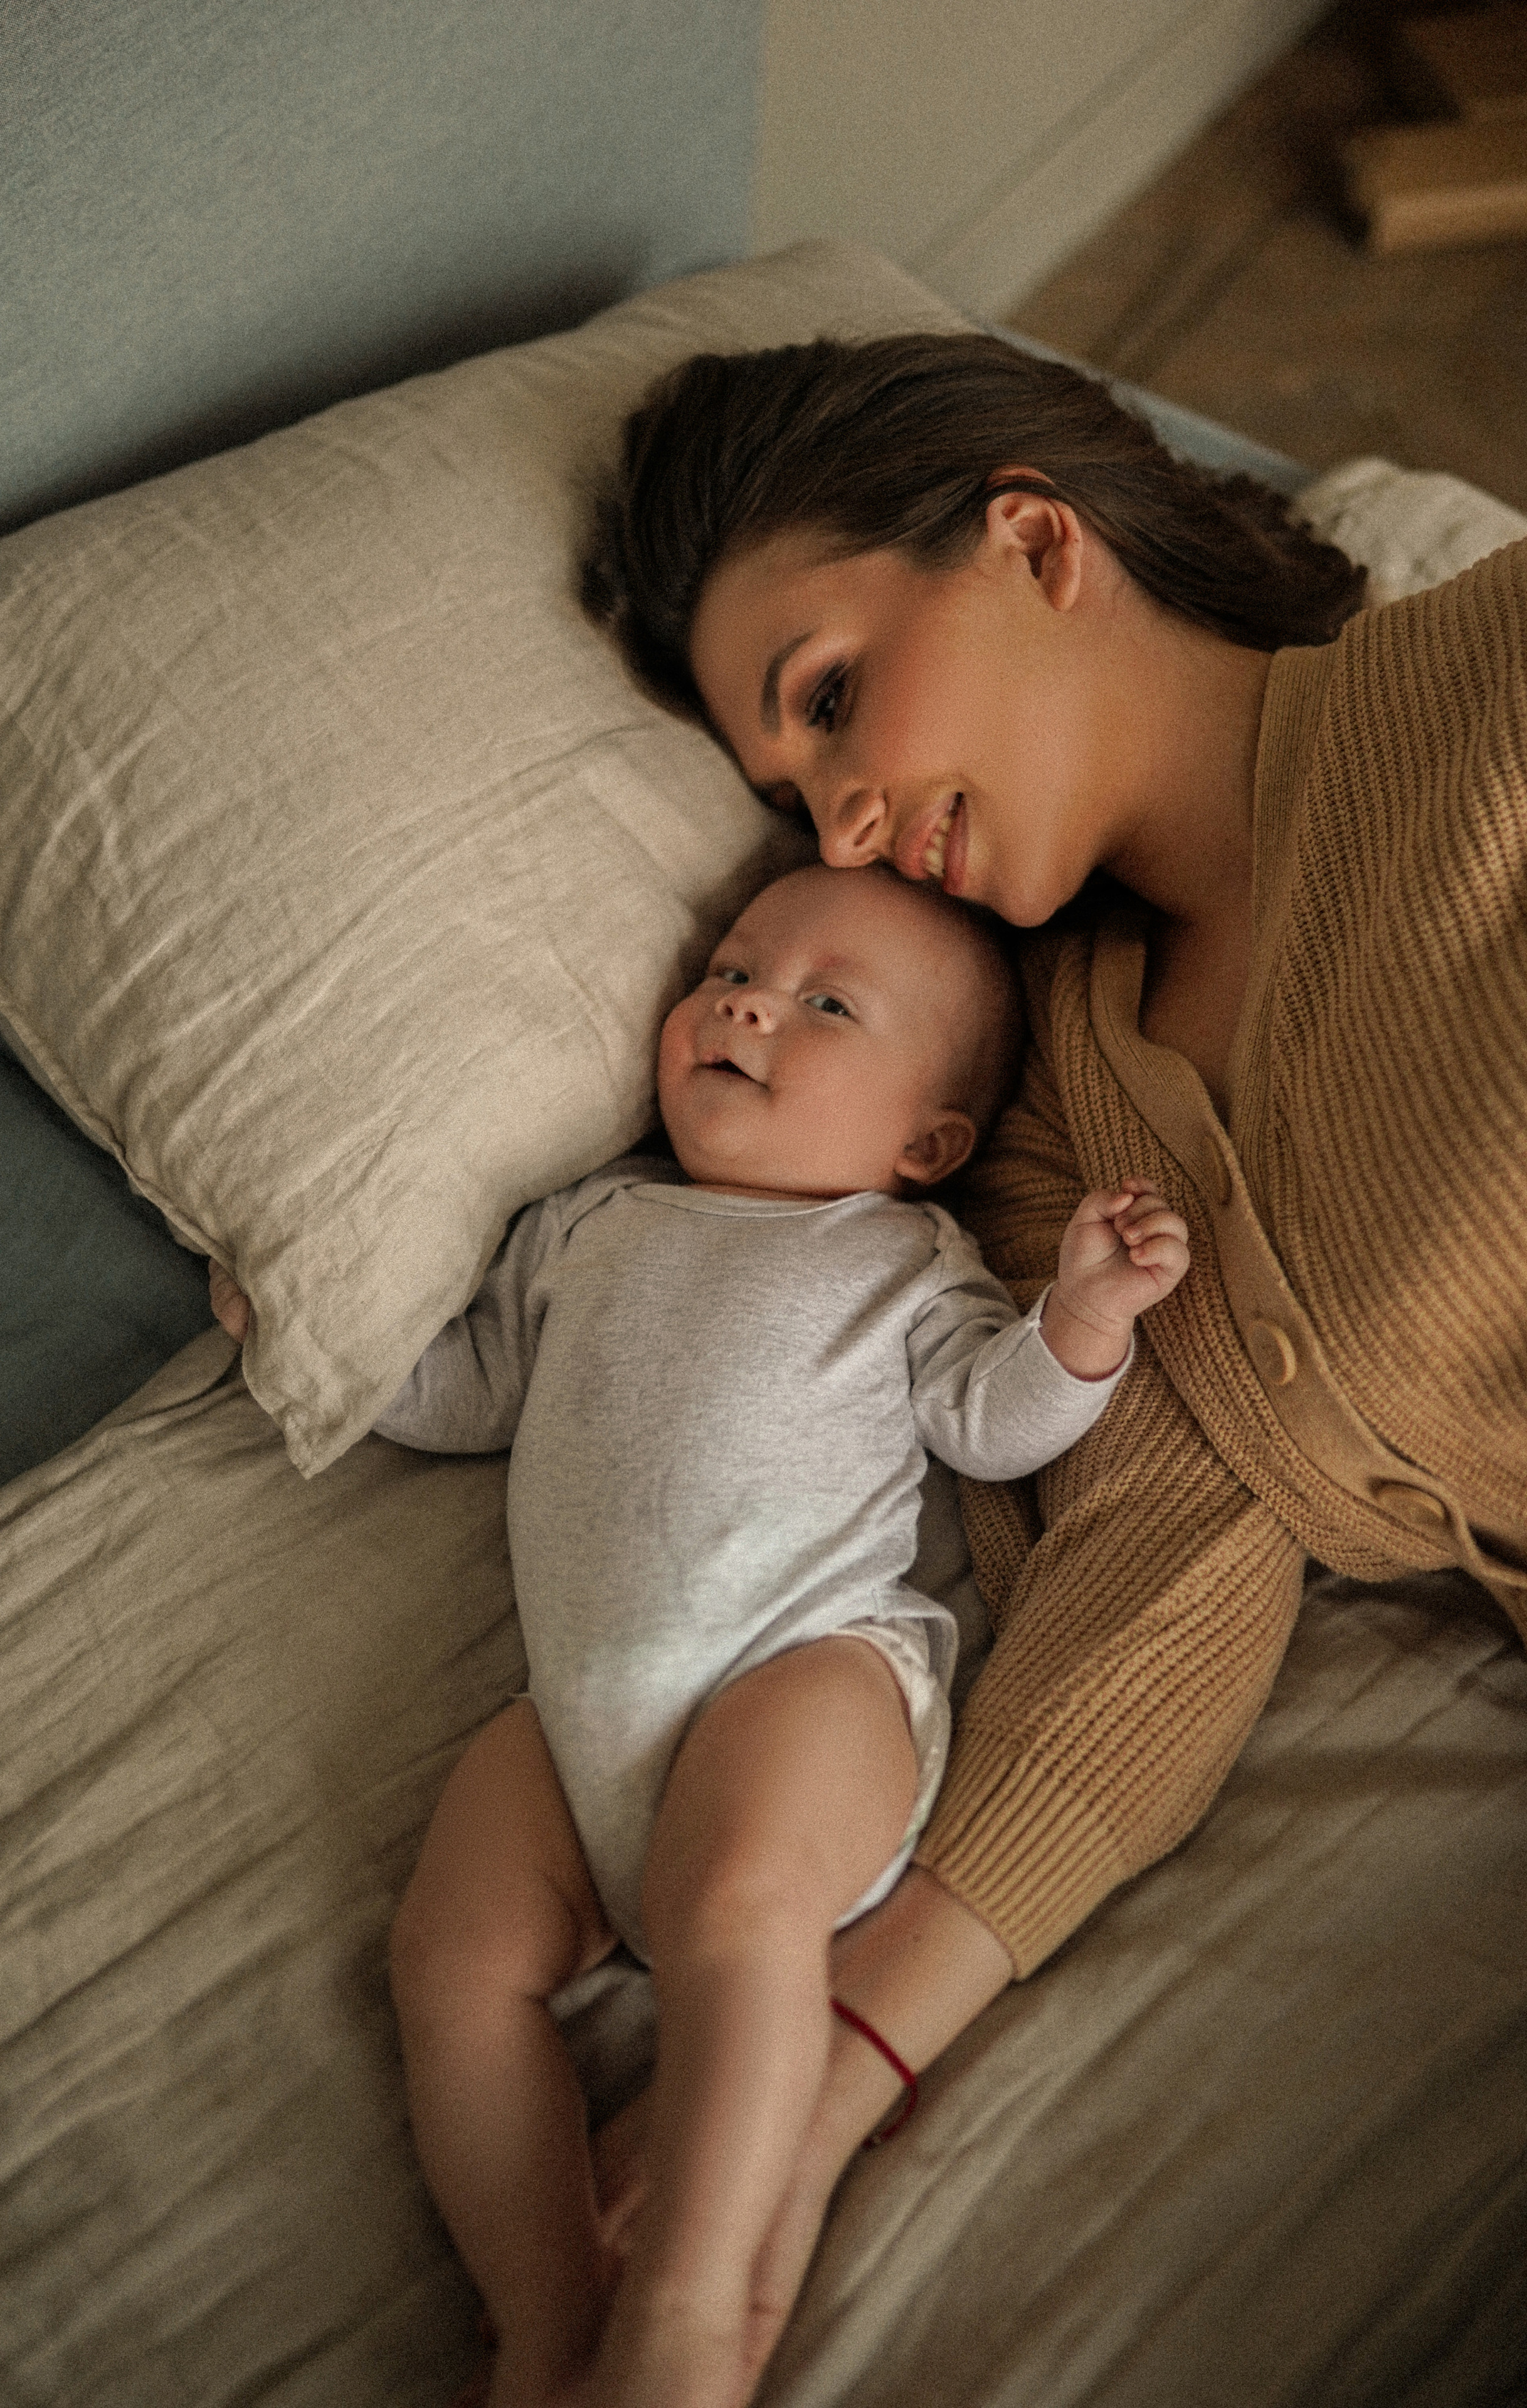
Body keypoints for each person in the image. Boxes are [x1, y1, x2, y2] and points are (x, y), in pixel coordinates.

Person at [581, 329, 1527, 2383]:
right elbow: (1162, 1575)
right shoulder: (1061, 1138)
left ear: (1035, 542)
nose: (846, 828)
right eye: (792, 797)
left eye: (837, 699)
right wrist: (828, 2084)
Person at [211, 858, 1191, 2408]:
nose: (743, 1000)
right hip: (580, 1706)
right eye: (733, 966)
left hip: (809, 1666)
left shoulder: (898, 1257)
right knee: (449, 1958)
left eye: (823, 1003)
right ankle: (543, 2316)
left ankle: (682, 2303)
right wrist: (306, 1333)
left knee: (742, 1908)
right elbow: (466, 1397)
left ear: (921, 1143)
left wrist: (1080, 1317)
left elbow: (997, 1426)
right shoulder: (588, 1223)